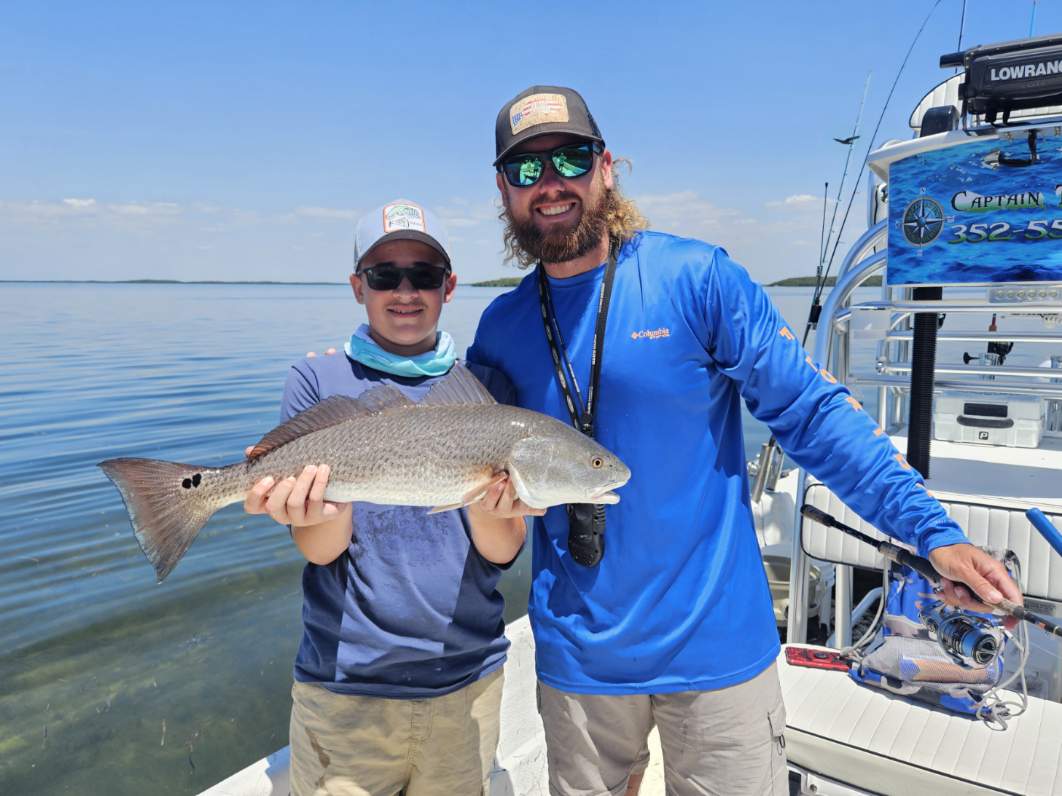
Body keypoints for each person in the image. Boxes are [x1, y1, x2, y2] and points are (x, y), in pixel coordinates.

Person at [465, 85, 1024, 796]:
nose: (549, 184)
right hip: (578, 663)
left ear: (606, 167)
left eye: (569, 158)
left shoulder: (697, 279)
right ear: (502, 191)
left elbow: (812, 417)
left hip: (718, 649)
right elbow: (479, 489)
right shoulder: (500, 329)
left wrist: (933, 534)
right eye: (524, 169)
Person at [243, 198, 530, 796]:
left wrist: (492, 499)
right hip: (345, 686)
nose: (405, 291)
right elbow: (322, 552)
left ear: (449, 287)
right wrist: (313, 510)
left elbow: (501, 552)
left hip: (465, 681)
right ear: (358, 286)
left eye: (423, 275)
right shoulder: (316, 380)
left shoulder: (488, 391)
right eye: (384, 275)